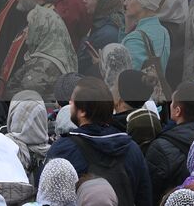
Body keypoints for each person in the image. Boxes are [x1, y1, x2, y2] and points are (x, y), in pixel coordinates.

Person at [44, 77, 152, 206]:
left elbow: (47, 196)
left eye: (72, 101)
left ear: (83, 111)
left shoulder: (62, 149)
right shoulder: (132, 148)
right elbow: (144, 198)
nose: (69, 102)